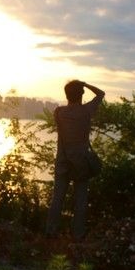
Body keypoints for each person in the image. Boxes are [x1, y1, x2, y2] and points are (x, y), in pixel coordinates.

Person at [45, 80, 105, 240]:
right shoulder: (86, 111)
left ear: (66, 95)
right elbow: (101, 94)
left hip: (63, 161)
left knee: (57, 198)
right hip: (81, 162)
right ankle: (78, 234)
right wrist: (85, 84)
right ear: (82, 94)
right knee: (80, 199)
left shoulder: (59, 112)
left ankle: (51, 232)